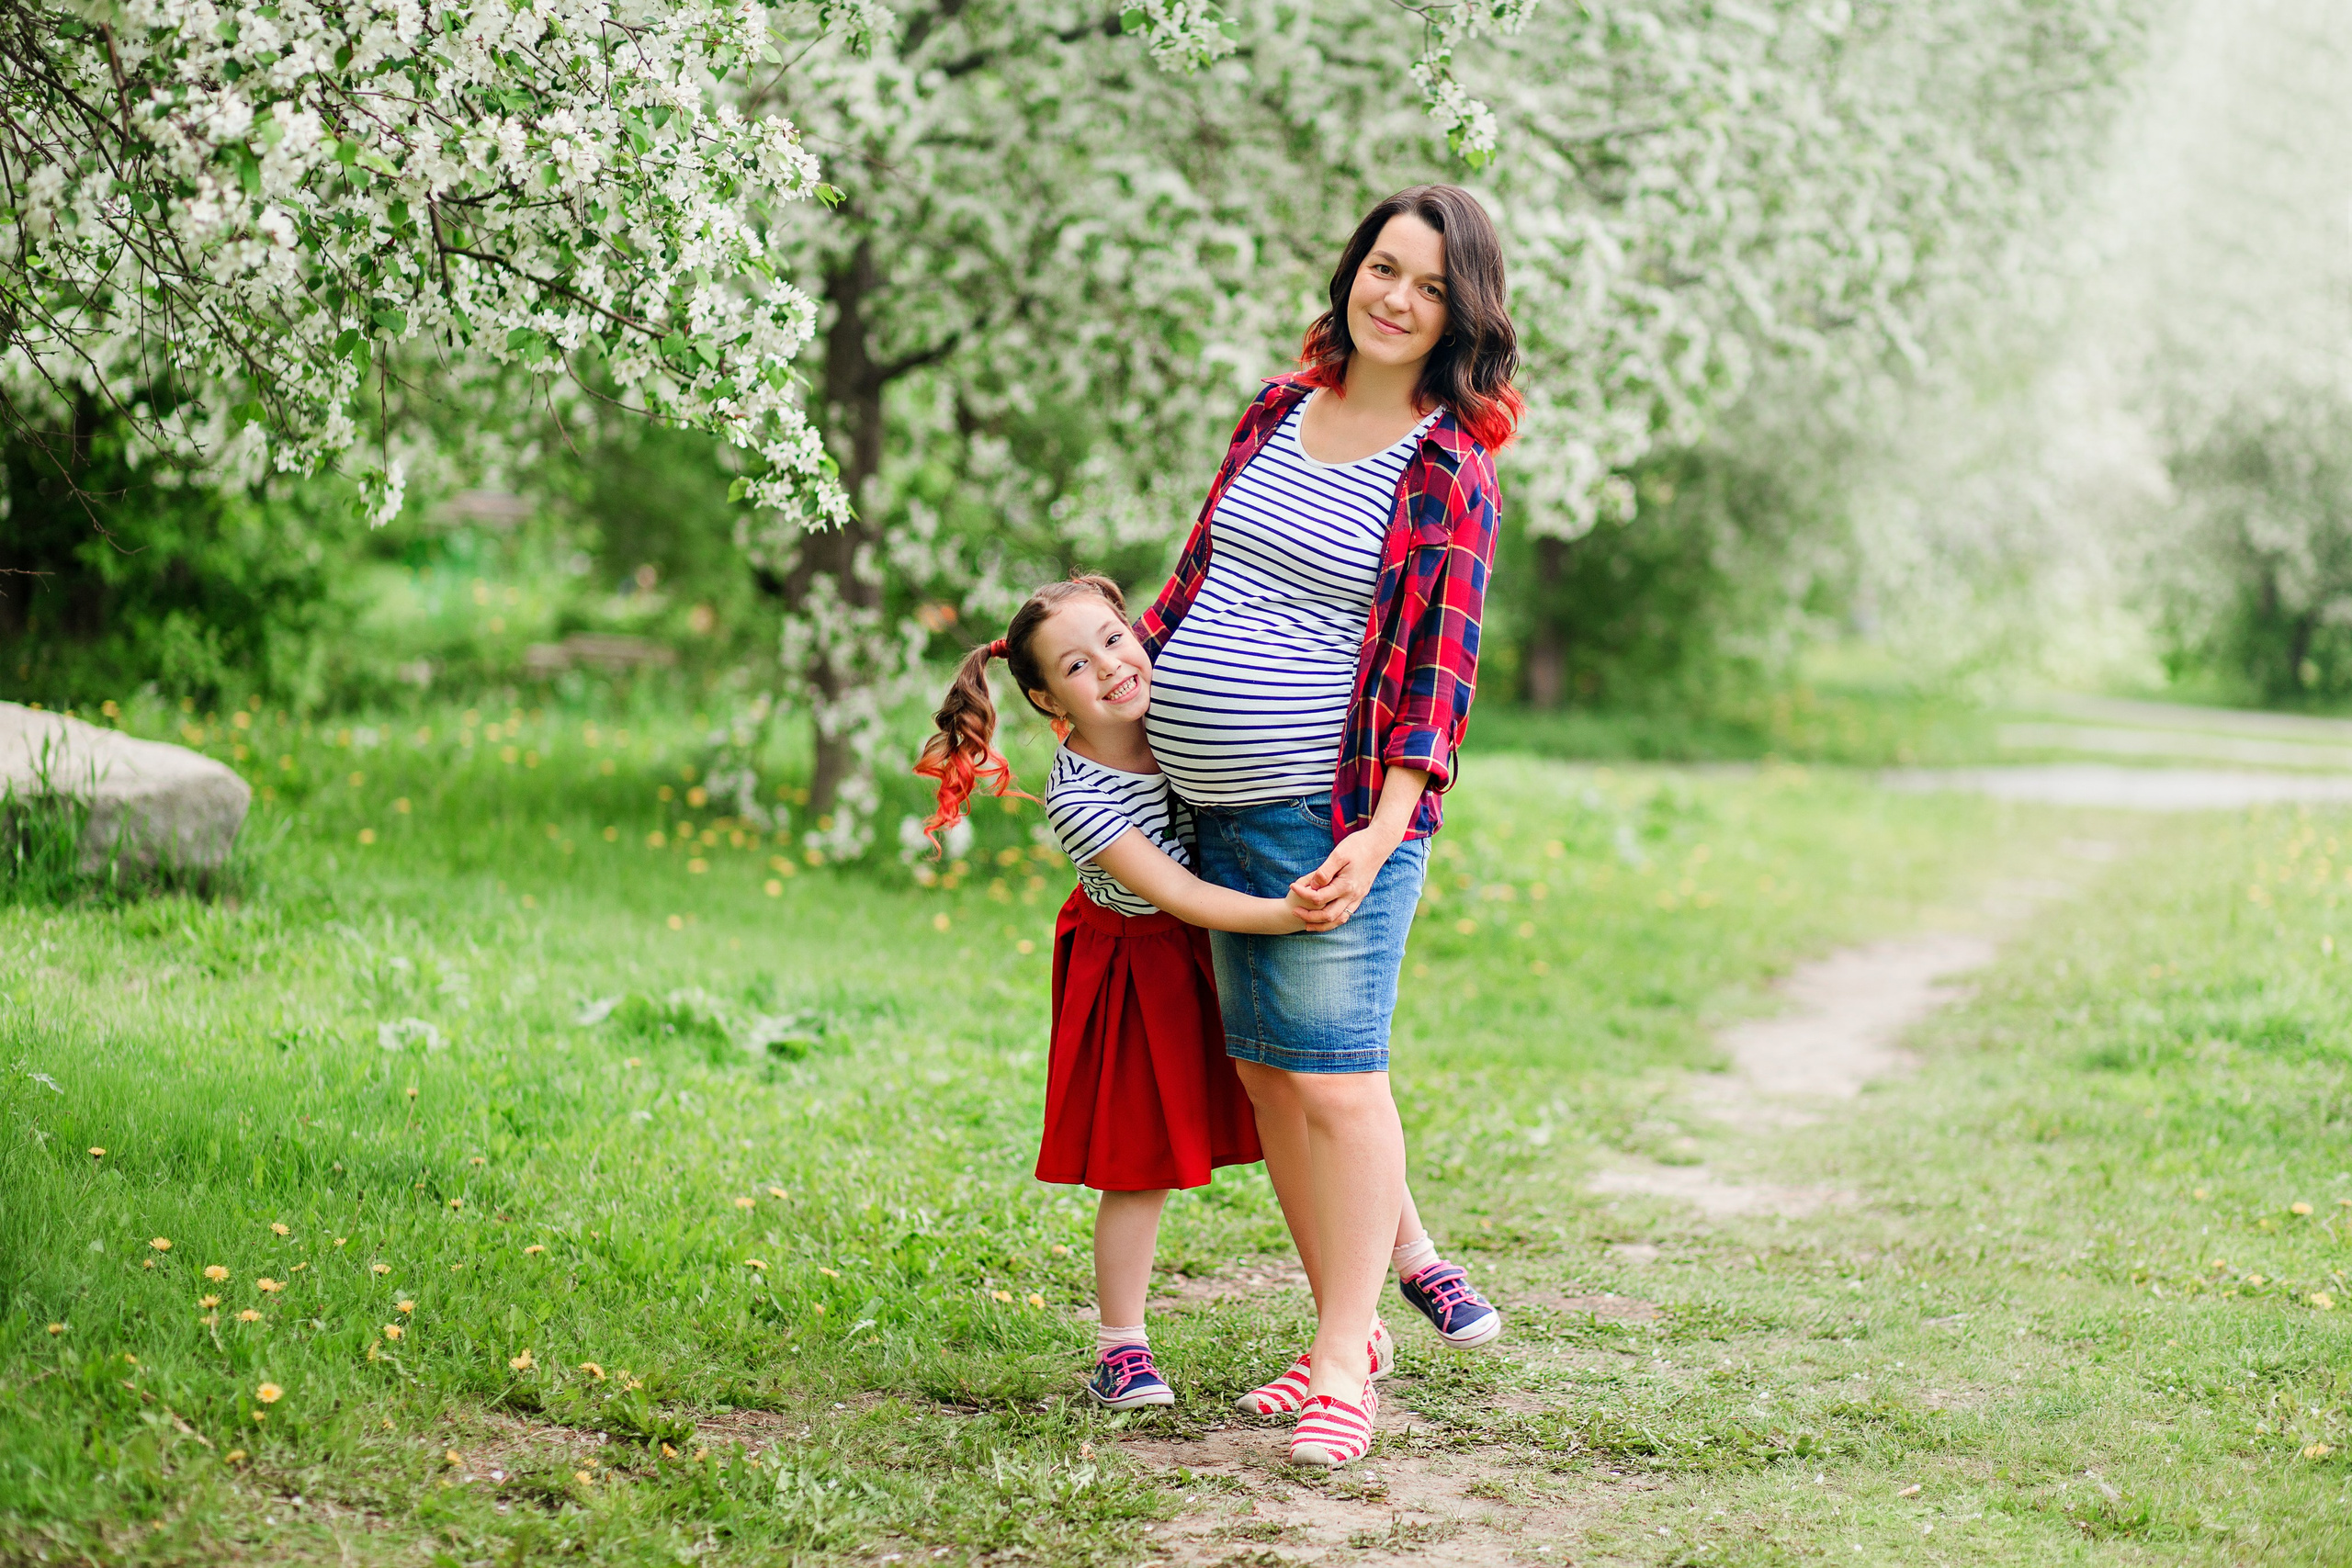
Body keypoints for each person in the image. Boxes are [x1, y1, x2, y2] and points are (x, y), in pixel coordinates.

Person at [1136, 184, 1521, 1467]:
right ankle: (1339, 1332)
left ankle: (1348, 1359)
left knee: (1339, 1082)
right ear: (1352, 269)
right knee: (1270, 1076)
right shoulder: (1275, 409)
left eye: (1430, 285)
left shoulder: (1447, 467)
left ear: (1462, 315)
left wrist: (1386, 825)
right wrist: (1106, 709)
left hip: (1332, 812)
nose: (1396, 297)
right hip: (1209, 809)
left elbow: (1440, 674)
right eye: (1383, 266)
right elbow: (1196, 580)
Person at [915, 574, 1343, 1410]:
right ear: (1048, 700)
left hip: (1220, 931)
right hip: (1140, 955)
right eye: (1077, 665)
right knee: (1139, 1156)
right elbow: (1178, 895)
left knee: (1318, 1089)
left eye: (1115, 638)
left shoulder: (1179, 711)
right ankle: (1121, 1349)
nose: (1111, 666)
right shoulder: (1079, 794)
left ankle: (1402, 1274)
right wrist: (1290, 915)